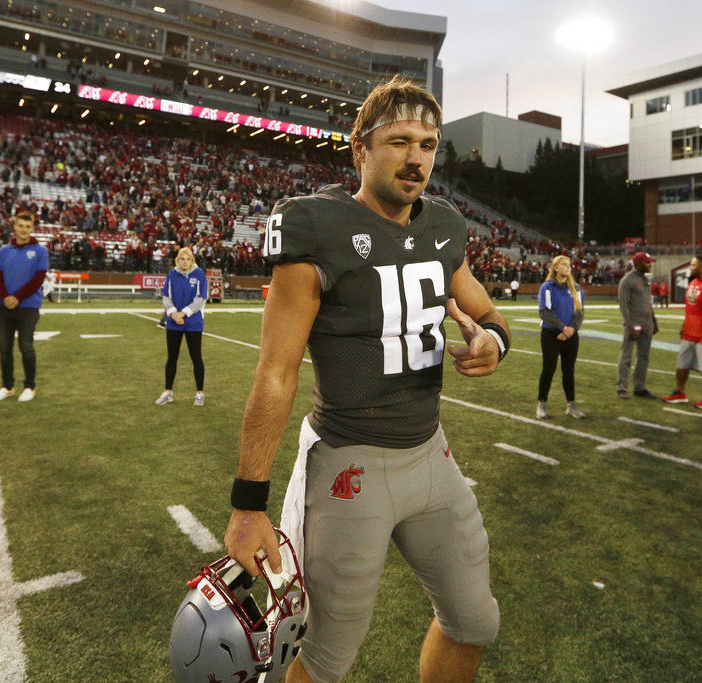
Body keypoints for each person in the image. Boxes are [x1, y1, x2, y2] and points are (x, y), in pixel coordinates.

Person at [223, 76, 507, 683]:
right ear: (361, 149)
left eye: (429, 145)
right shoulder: (315, 226)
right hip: (349, 462)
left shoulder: (443, 226)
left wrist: (492, 341)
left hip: (431, 456)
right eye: (400, 140)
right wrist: (249, 506)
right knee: (325, 656)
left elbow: (482, 307)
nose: (416, 158)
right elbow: (276, 374)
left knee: (475, 621)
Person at [0, 211, 49, 403]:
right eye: (20, 226)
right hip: (3, 306)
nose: (24, 230)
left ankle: (29, 387)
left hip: (28, 306)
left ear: (32, 229)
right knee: (4, 348)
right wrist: (5, 297)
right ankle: (7, 387)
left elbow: (38, 280)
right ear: (14, 227)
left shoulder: (40, 251)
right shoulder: (4, 251)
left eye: (27, 227)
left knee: (26, 346)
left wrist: (17, 297)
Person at [662, 254, 702, 410]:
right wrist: (685, 327)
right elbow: (691, 309)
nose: (689, 268)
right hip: (690, 334)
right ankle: (680, 392)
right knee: (682, 364)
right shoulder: (695, 282)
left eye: (692, 265)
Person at [155, 247, 207, 407]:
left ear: (192, 260)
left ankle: (199, 393)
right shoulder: (172, 275)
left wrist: (183, 313)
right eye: (182, 259)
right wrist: (173, 314)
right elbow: (166, 297)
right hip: (173, 323)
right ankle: (168, 392)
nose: (185, 262)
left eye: (188, 259)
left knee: (196, 357)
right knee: (172, 358)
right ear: (177, 260)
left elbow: (201, 299)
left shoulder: (199, 274)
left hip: (193, 323)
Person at [536, 255, 585, 419]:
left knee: (569, 370)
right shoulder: (547, 287)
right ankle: (541, 404)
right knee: (548, 369)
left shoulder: (576, 289)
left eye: (569, 264)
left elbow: (579, 312)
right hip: (551, 334)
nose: (568, 267)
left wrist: (571, 329)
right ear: (556, 268)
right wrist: (562, 328)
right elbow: (545, 313)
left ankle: (571, 405)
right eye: (564, 264)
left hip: (571, 335)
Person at [616, 252, 659, 399]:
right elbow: (623, 305)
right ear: (638, 264)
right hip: (634, 324)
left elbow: (648, 302)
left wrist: (654, 320)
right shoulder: (627, 280)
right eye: (647, 262)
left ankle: (639, 387)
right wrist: (629, 326)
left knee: (644, 356)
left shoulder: (645, 280)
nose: (649, 264)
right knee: (626, 355)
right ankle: (622, 387)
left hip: (647, 324)